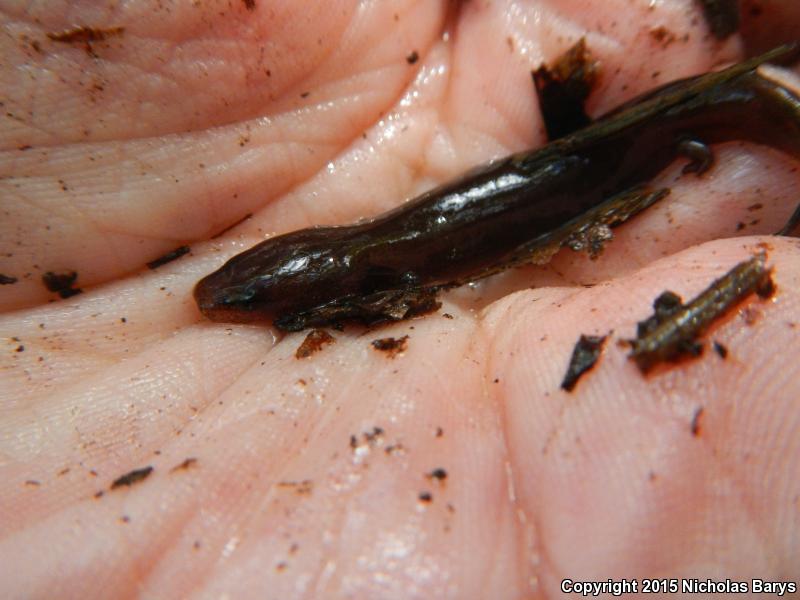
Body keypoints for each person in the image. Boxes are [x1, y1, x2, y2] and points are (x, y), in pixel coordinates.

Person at [2, 0, 799, 596]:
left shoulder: (366, 267)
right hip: (592, 161)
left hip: (615, 152)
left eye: (250, 293)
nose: (234, 302)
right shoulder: (357, 267)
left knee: (637, 147)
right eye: (248, 292)